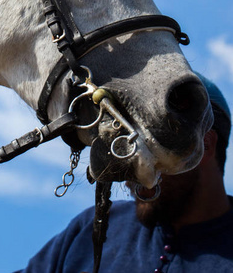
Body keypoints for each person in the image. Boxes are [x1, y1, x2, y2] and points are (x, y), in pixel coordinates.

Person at [16, 73, 233, 272]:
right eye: (125, 147)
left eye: (148, 146)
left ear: (203, 145)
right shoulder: (93, 229)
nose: (128, 170)